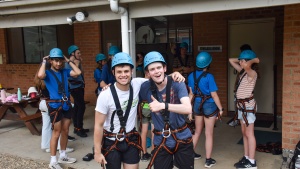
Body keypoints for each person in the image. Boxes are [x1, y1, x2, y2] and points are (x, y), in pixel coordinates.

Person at [94, 52, 185, 169]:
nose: (123, 75)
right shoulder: (105, 95)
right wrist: (97, 152)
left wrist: (174, 74)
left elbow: (158, 77)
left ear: (132, 71)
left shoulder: (138, 84)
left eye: (126, 71)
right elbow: (98, 125)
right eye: (119, 72)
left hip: (130, 139)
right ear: (113, 73)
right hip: (111, 141)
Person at [139, 51, 194, 169]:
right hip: (161, 140)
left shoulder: (177, 83)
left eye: (159, 67)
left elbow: (187, 108)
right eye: (152, 69)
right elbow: (125, 90)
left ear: (165, 68)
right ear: (148, 73)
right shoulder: (145, 87)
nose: (157, 71)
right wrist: (107, 88)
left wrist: (163, 105)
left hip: (182, 137)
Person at [37, 48, 81, 169]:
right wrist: (44, 62)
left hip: (65, 105)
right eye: (55, 61)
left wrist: (68, 61)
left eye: (60, 61)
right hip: (55, 106)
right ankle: (53, 161)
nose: (58, 63)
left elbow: (77, 73)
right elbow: (40, 75)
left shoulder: (64, 71)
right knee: (56, 132)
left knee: (65, 131)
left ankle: (63, 154)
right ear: (51, 61)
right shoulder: (47, 73)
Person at [187, 51, 224, 168]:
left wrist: (189, 110)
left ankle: (188, 155)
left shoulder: (190, 76)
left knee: (197, 131)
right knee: (208, 133)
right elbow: (214, 95)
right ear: (208, 64)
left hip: (197, 104)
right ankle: (208, 160)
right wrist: (221, 108)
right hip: (209, 105)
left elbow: (191, 94)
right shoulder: (209, 76)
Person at [34, 62, 75, 153]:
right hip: (52, 103)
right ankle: (61, 147)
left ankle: (46, 145)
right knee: (58, 127)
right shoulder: (49, 78)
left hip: (42, 103)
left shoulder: (38, 80)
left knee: (46, 125)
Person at [229, 50, 260, 169]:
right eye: (240, 60)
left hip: (248, 107)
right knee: (244, 133)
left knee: (249, 133)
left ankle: (252, 162)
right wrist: (242, 59)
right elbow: (231, 60)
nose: (240, 62)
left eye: (242, 61)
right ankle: (246, 157)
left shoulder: (252, 73)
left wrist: (252, 60)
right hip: (241, 107)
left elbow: (247, 66)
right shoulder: (242, 72)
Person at [66, 45, 89, 138]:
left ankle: (77, 127)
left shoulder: (76, 62)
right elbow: (74, 76)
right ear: (72, 53)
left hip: (80, 86)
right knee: (81, 107)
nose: (80, 54)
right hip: (74, 88)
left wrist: (79, 63)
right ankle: (79, 128)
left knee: (77, 107)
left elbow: (81, 73)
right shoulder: (68, 64)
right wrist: (77, 64)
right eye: (78, 53)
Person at [228, 44, 252, 127]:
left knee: (248, 129)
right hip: (242, 93)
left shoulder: (248, 70)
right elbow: (231, 60)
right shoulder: (246, 69)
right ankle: (238, 120)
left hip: (245, 96)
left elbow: (231, 60)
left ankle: (239, 120)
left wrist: (243, 60)